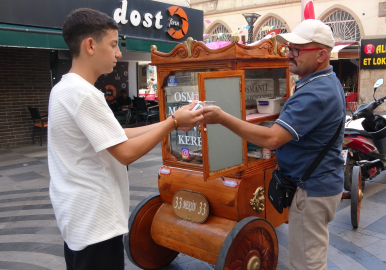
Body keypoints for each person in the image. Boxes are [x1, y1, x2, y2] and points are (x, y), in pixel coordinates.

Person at [47, 8, 203, 270]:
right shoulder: (85, 94)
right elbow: (125, 152)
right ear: (90, 45)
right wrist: (174, 123)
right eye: (113, 44)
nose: (118, 53)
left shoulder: (64, 88)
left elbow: (115, 138)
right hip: (96, 222)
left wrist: (166, 122)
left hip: (77, 219)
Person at [201, 19, 345, 270]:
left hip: (311, 189)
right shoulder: (324, 81)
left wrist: (221, 117)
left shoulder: (315, 92)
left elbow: (273, 138)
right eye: (289, 47)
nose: (289, 54)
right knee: (310, 255)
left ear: (321, 54)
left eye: (296, 50)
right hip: (319, 183)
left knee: (307, 263)